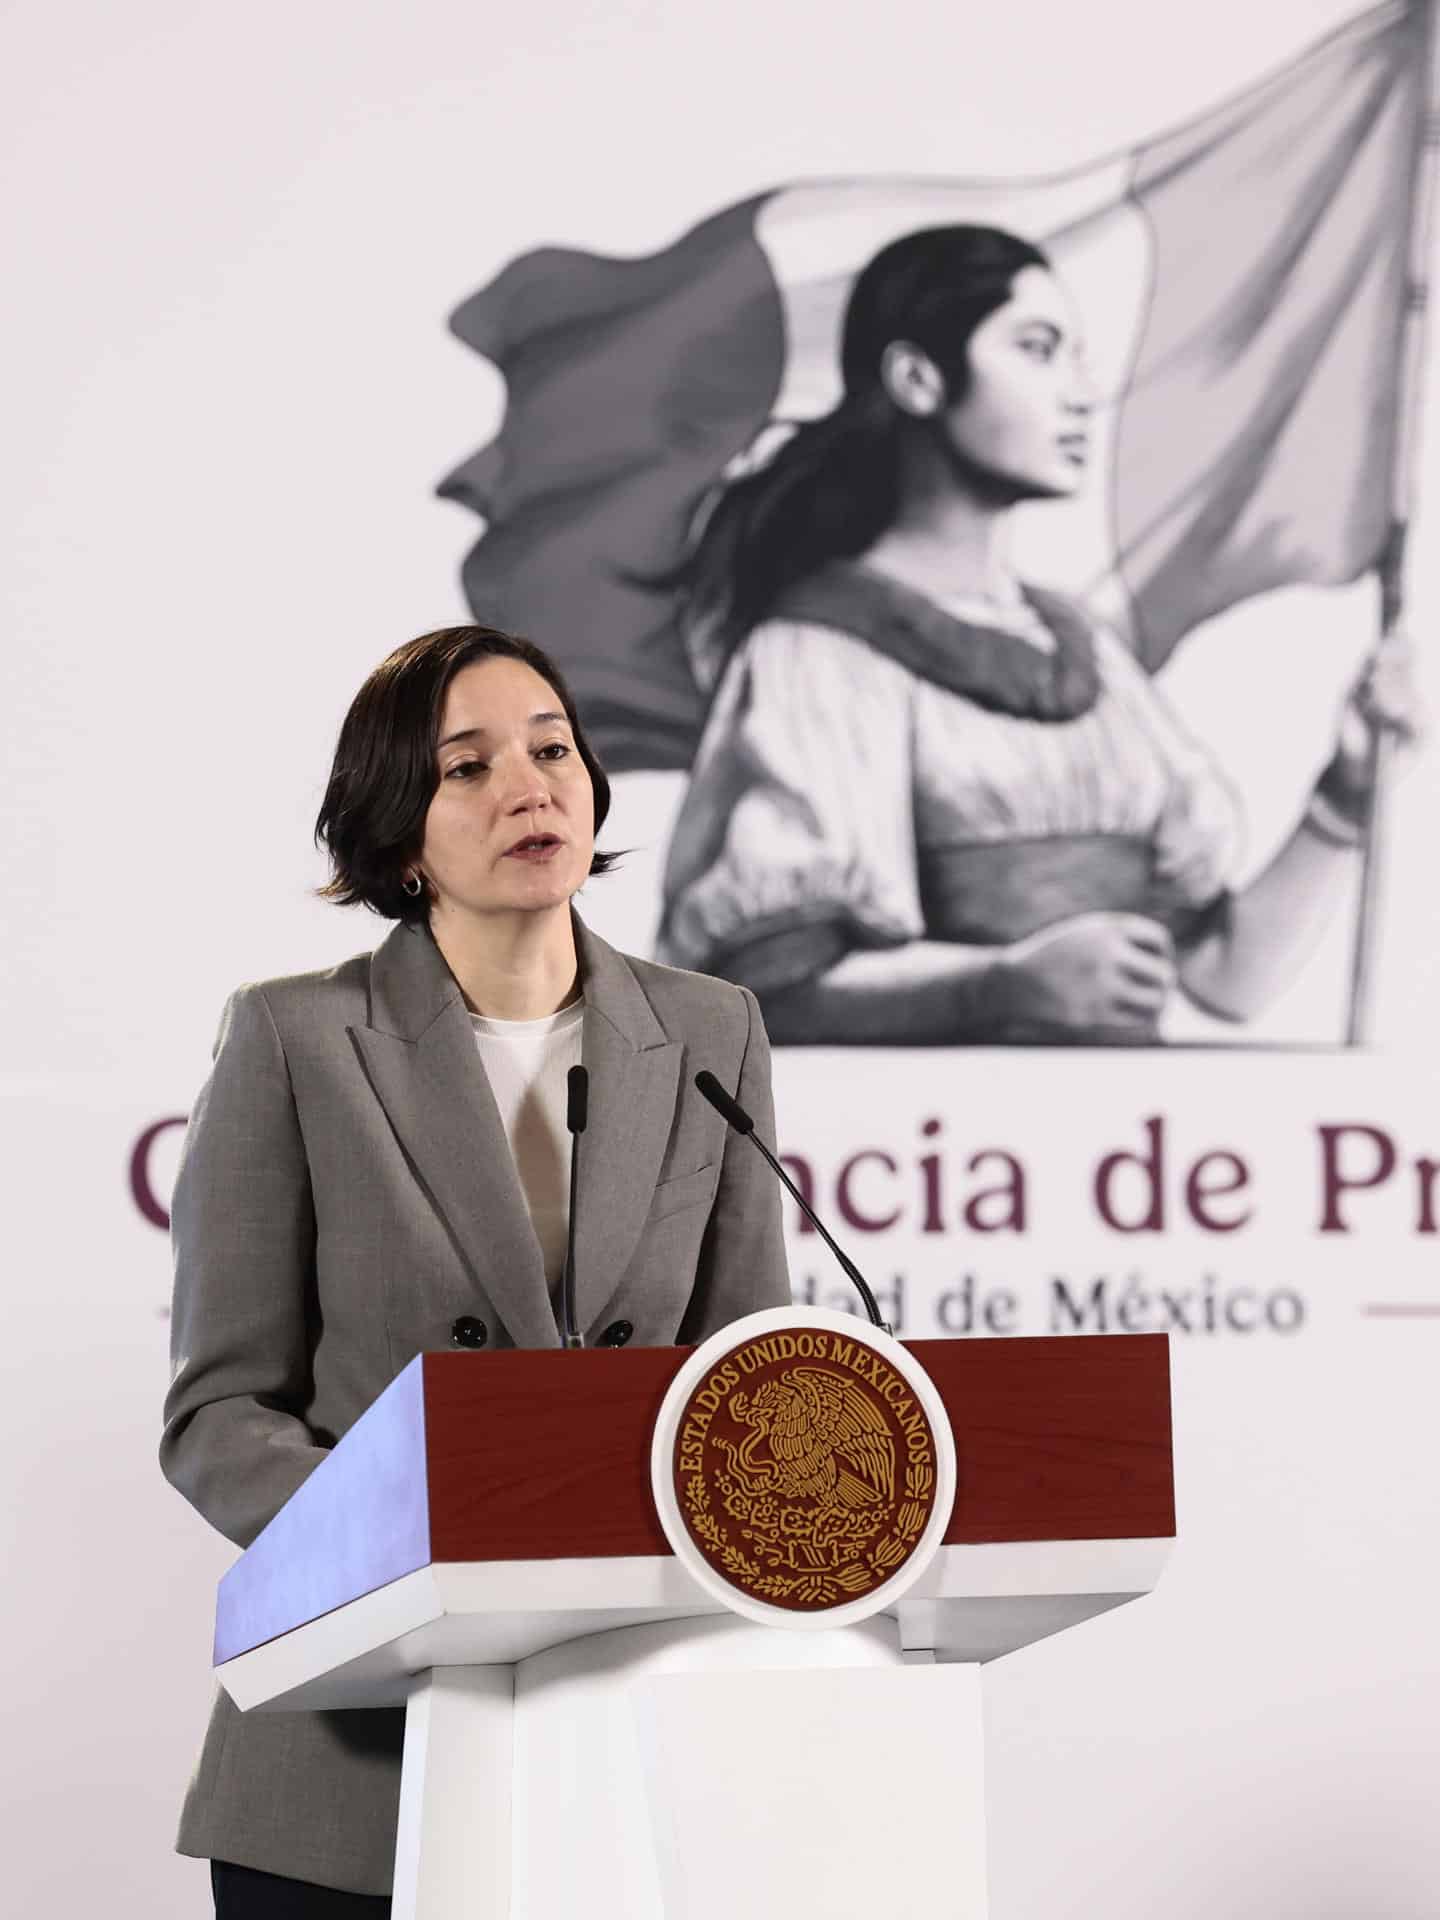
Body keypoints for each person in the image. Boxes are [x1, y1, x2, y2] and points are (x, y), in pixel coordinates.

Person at [161, 624, 791, 1915]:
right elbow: (219, 1418)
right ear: (398, 838)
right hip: (353, 1759)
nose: (531, 783)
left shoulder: (712, 1032)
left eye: (553, 746)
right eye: (469, 767)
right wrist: (423, 1536)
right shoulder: (297, 1041)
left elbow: (751, 1381)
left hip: (628, 1744)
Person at [655, 225, 1418, 1044]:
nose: (1081, 393)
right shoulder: (816, 656)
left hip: (1123, 1157)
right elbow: (762, 995)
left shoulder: (1088, 657)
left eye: (1075, 355)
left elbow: (1226, 979)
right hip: (938, 1159)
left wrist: (1345, 794)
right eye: (1038, 348)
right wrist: (1000, 985)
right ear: (918, 378)